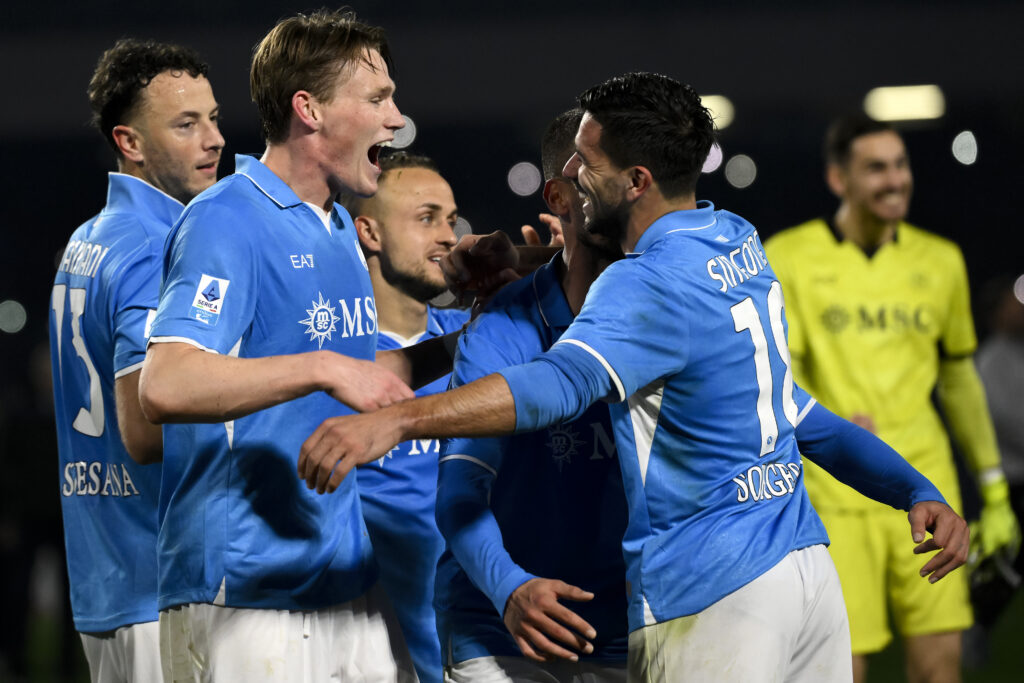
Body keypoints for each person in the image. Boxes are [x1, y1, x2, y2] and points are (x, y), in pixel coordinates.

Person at [296, 73, 970, 683]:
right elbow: (461, 494)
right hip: (515, 629)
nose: (575, 173)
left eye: (586, 163)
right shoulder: (730, 239)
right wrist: (509, 587)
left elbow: (561, 384)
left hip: (692, 594)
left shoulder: (642, 287)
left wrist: (398, 418)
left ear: (634, 181)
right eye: (570, 168)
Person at [139, 10, 451, 681]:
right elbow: (165, 383)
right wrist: (322, 366)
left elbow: (361, 374)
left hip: (344, 580)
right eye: (377, 99)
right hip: (244, 590)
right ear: (309, 109)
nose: (395, 118)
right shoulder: (226, 218)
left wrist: (468, 337)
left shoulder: (336, 224)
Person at [765, 114, 1019, 683]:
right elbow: (781, 375)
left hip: (927, 486)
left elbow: (958, 380)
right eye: (876, 168)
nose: (895, 179)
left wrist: (994, 487)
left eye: (901, 165)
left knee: (940, 667)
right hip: (836, 491)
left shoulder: (940, 260)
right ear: (839, 179)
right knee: (839, 667)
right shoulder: (790, 255)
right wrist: (833, 424)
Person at [48, 38, 223, 682]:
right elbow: (146, 429)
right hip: (160, 581)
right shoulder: (158, 245)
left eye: (213, 118)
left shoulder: (86, 239)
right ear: (130, 142)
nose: (214, 140)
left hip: (104, 578)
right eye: (186, 124)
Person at [435, 109, 629, 682]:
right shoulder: (503, 328)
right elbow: (460, 490)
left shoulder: (663, 318)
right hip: (501, 624)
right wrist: (510, 587)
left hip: (625, 625)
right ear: (560, 196)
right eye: (599, 175)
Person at [342, 150, 468, 683]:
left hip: (478, 639)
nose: (448, 237)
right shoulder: (335, 361)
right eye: (426, 218)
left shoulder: (477, 341)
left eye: (451, 220)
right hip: (370, 646)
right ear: (369, 232)